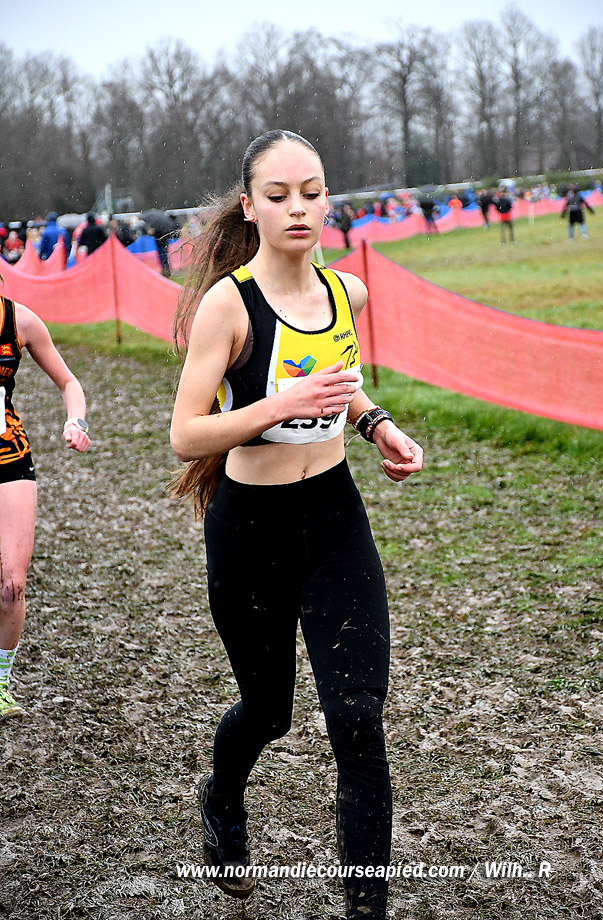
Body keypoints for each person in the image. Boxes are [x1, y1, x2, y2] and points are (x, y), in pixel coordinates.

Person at [169, 129, 423, 920]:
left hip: (334, 518)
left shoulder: (349, 294)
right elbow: (185, 434)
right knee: (269, 713)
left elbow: (337, 380)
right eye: (278, 196)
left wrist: (376, 423)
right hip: (250, 532)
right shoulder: (228, 305)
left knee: (356, 719)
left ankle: (366, 908)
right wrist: (276, 406)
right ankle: (221, 802)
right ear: (251, 207)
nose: (298, 208)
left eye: (311, 193)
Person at [0, 291, 91, 718]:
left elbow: (69, 382)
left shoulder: (19, 321)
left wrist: (76, 420)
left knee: (11, 586)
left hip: (9, 458)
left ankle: (0, 685)